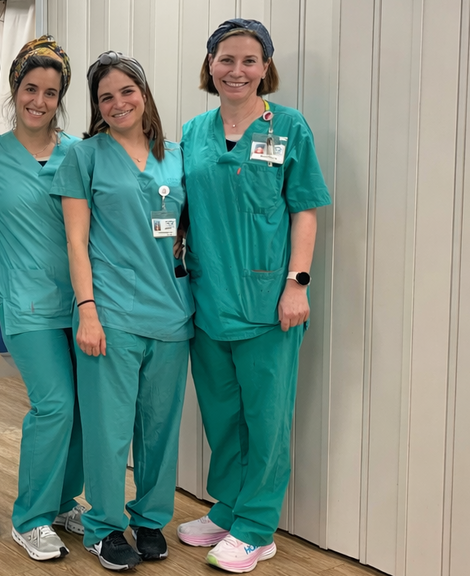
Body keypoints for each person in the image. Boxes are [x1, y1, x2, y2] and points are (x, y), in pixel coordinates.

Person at [176, 19, 331, 574]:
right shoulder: (193, 132)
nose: (236, 70)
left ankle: (258, 528)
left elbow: (304, 208)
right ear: (209, 65)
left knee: (266, 419)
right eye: (225, 59)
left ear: (265, 67)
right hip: (207, 298)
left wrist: (298, 283)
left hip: (270, 303)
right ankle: (230, 507)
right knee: (221, 415)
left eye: (248, 60)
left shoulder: (288, 127)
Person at [53, 51, 193, 571]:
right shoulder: (85, 157)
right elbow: (75, 240)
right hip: (108, 312)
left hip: (173, 313)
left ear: (144, 93)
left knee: (159, 428)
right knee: (109, 430)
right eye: (105, 96)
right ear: (96, 106)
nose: (117, 103)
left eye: (126, 91)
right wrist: (87, 310)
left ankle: (151, 519)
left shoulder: (177, 155)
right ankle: (104, 527)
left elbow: (186, 229)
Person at [0, 36, 85, 562]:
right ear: (14, 91)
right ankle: (31, 518)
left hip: (84, 303)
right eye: (30, 89)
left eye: (50, 92)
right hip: (25, 304)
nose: (39, 100)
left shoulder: (78, 153)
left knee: (85, 407)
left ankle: (64, 502)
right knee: (54, 403)